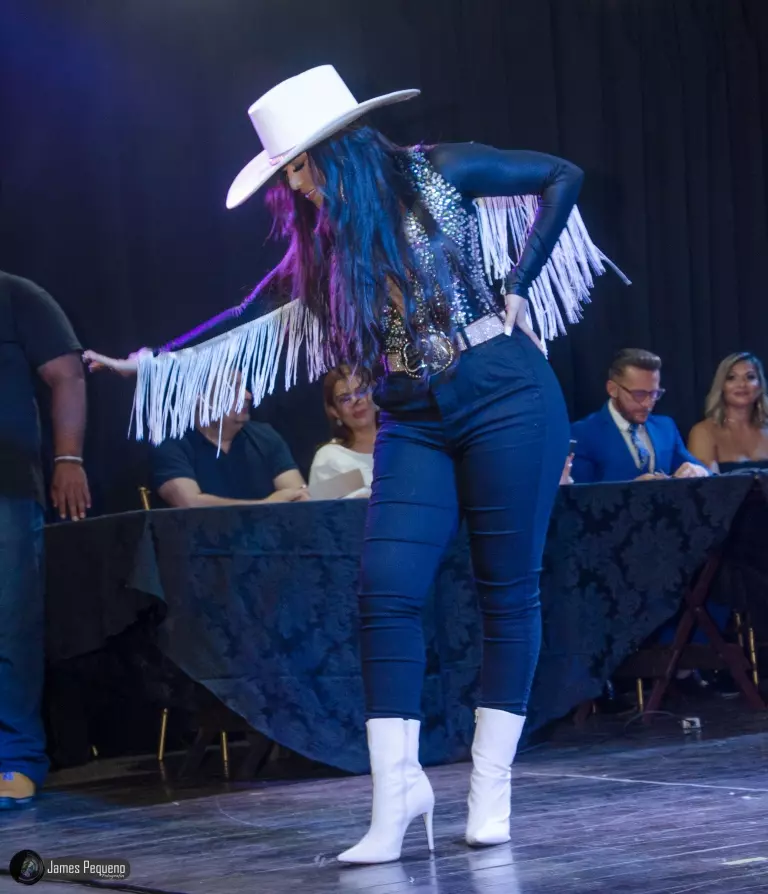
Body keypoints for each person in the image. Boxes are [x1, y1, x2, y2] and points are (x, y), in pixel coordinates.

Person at [83, 65, 627, 862]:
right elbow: (247, 317)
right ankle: (397, 794)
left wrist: (520, 282)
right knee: (385, 590)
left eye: (299, 166)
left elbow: (561, 177)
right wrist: (154, 367)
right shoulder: (327, 241)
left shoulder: (438, 171)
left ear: (336, 148)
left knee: (507, 590)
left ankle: (491, 789)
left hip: (505, 393)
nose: (294, 186)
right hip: (413, 414)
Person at [0, 270, 90, 809]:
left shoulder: (14, 294)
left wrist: (68, 459)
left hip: (5, 486)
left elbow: (68, 375)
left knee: (9, 623)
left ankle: (14, 757)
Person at [151, 385, 308, 508]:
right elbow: (189, 504)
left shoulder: (265, 436)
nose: (247, 395)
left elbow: (299, 495)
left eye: (244, 387)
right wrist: (266, 505)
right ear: (200, 398)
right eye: (233, 388)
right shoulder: (171, 444)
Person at [571, 349, 709, 483]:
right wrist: (632, 490)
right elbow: (578, 493)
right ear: (612, 389)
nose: (648, 404)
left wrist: (699, 471)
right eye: (639, 394)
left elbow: (705, 473)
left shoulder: (665, 428)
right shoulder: (583, 433)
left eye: (654, 394)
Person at [688, 352, 768, 474]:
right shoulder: (704, 432)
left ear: (760, 386)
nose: (742, 384)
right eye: (731, 378)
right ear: (722, 387)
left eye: (750, 377)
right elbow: (703, 483)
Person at [309, 366, 378, 499]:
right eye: (345, 399)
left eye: (361, 391)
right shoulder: (330, 458)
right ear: (334, 411)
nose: (356, 400)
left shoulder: (403, 442)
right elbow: (327, 509)